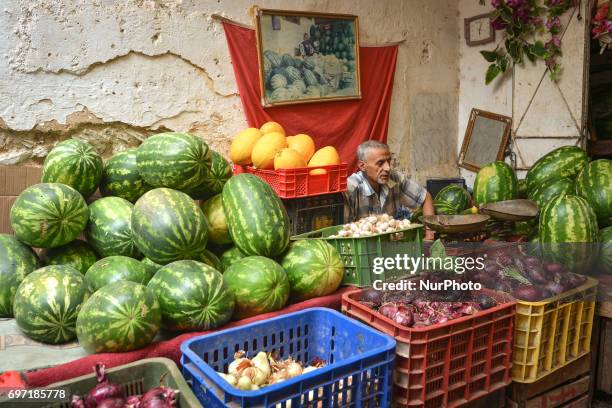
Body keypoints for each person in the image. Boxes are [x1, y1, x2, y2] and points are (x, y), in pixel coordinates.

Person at [343, 141, 436, 240]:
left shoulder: (394, 178)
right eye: (380, 163)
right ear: (362, 166)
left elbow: (425, 197)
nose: (387, 168)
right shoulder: (351, 189)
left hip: (389, 245)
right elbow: (345, 231)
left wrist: (429, 236)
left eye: (388, 161)